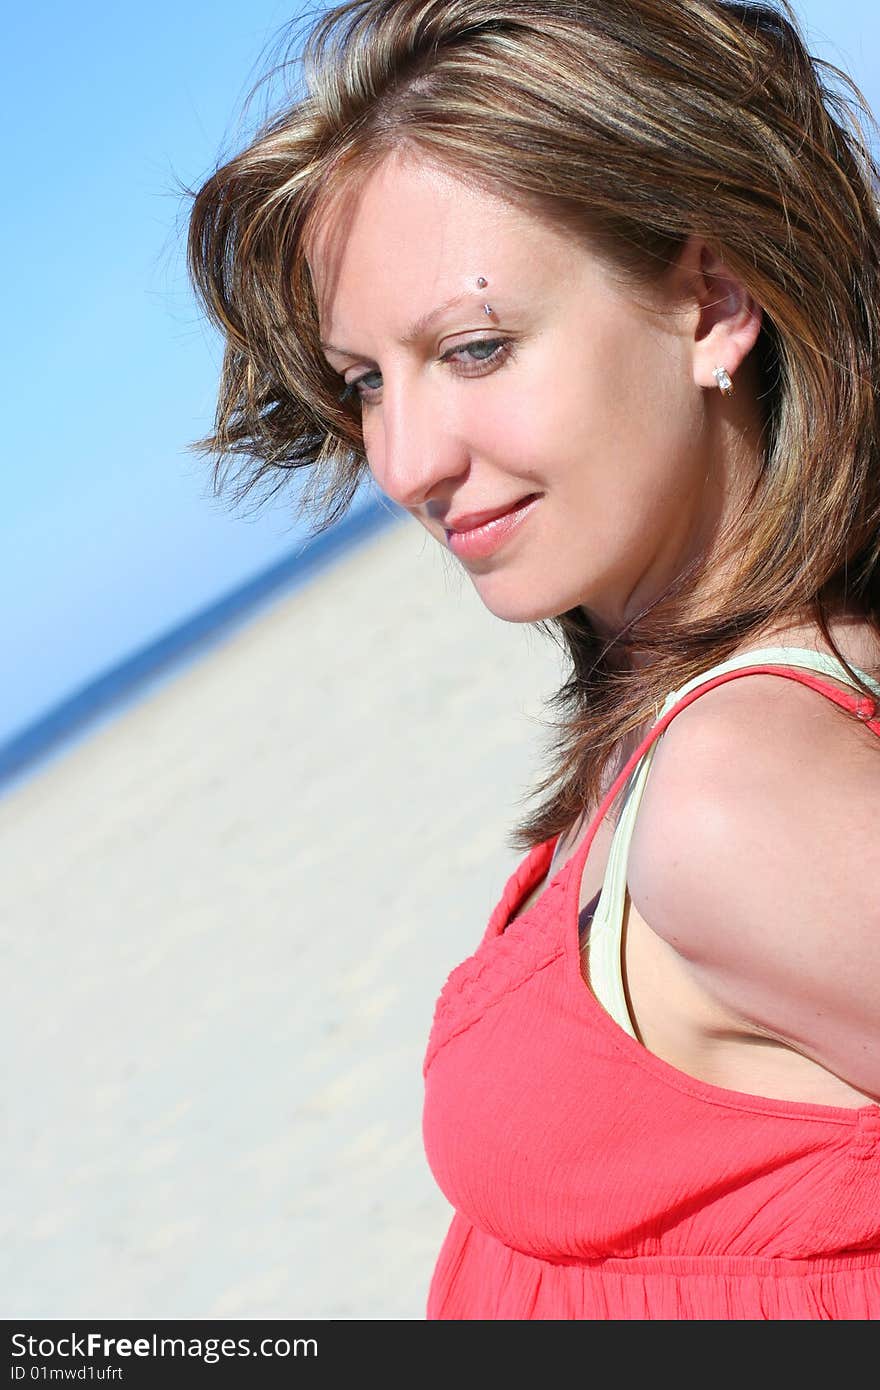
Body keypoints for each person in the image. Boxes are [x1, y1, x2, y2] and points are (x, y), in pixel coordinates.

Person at [186, 0, 880, 1319]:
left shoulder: (739, 794)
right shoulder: (672, 710)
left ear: (711, 296)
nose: (404, 463)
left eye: (476, 348)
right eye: (368, 381)